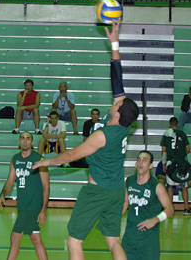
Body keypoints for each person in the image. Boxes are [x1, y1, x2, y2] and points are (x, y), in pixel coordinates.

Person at [33, 21, 139, 260]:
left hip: (97, 192)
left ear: (118, 113)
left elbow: (72, 155)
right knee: (113, 241)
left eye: (118, 103)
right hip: (114, 190)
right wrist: (114, 42)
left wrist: (47, 162)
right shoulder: (124, 125)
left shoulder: (103, 135)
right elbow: (117, 77)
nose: (116, 99)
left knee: (74, 242)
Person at [0, 132, 49, 260]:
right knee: (36, 239)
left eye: (28, 138)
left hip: (33, 206)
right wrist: (2, 194)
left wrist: (43, 210)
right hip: (22, 206)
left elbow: (46, 186)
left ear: (32, 142)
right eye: (22, 138)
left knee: (14, 238)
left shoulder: (39, 160)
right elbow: (10, 182)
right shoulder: (15, 159)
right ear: (19, 141)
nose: (25, 141)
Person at [121, 151, 174, 260]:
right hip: (129, 237)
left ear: (150, 166)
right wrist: (114, 216)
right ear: (135, 164)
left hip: (148, 239)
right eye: (139, 159)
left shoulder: (156, 186)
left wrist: (155, 219)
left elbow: (170, 209)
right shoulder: (129, 181)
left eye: (145, 160)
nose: (140, 162)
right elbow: (125, 202)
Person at [160, 116, 190, 215]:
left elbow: (164, 151)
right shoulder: (182, 134)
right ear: (177, 124)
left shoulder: (166, 136)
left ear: (169, 124)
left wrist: (164, 163)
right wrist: (182, 155)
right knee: (184, 186)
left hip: (170, 164)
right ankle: (186, 208)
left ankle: (170, 209)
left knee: (170, 187)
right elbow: (188, 149)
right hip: (181, 164)